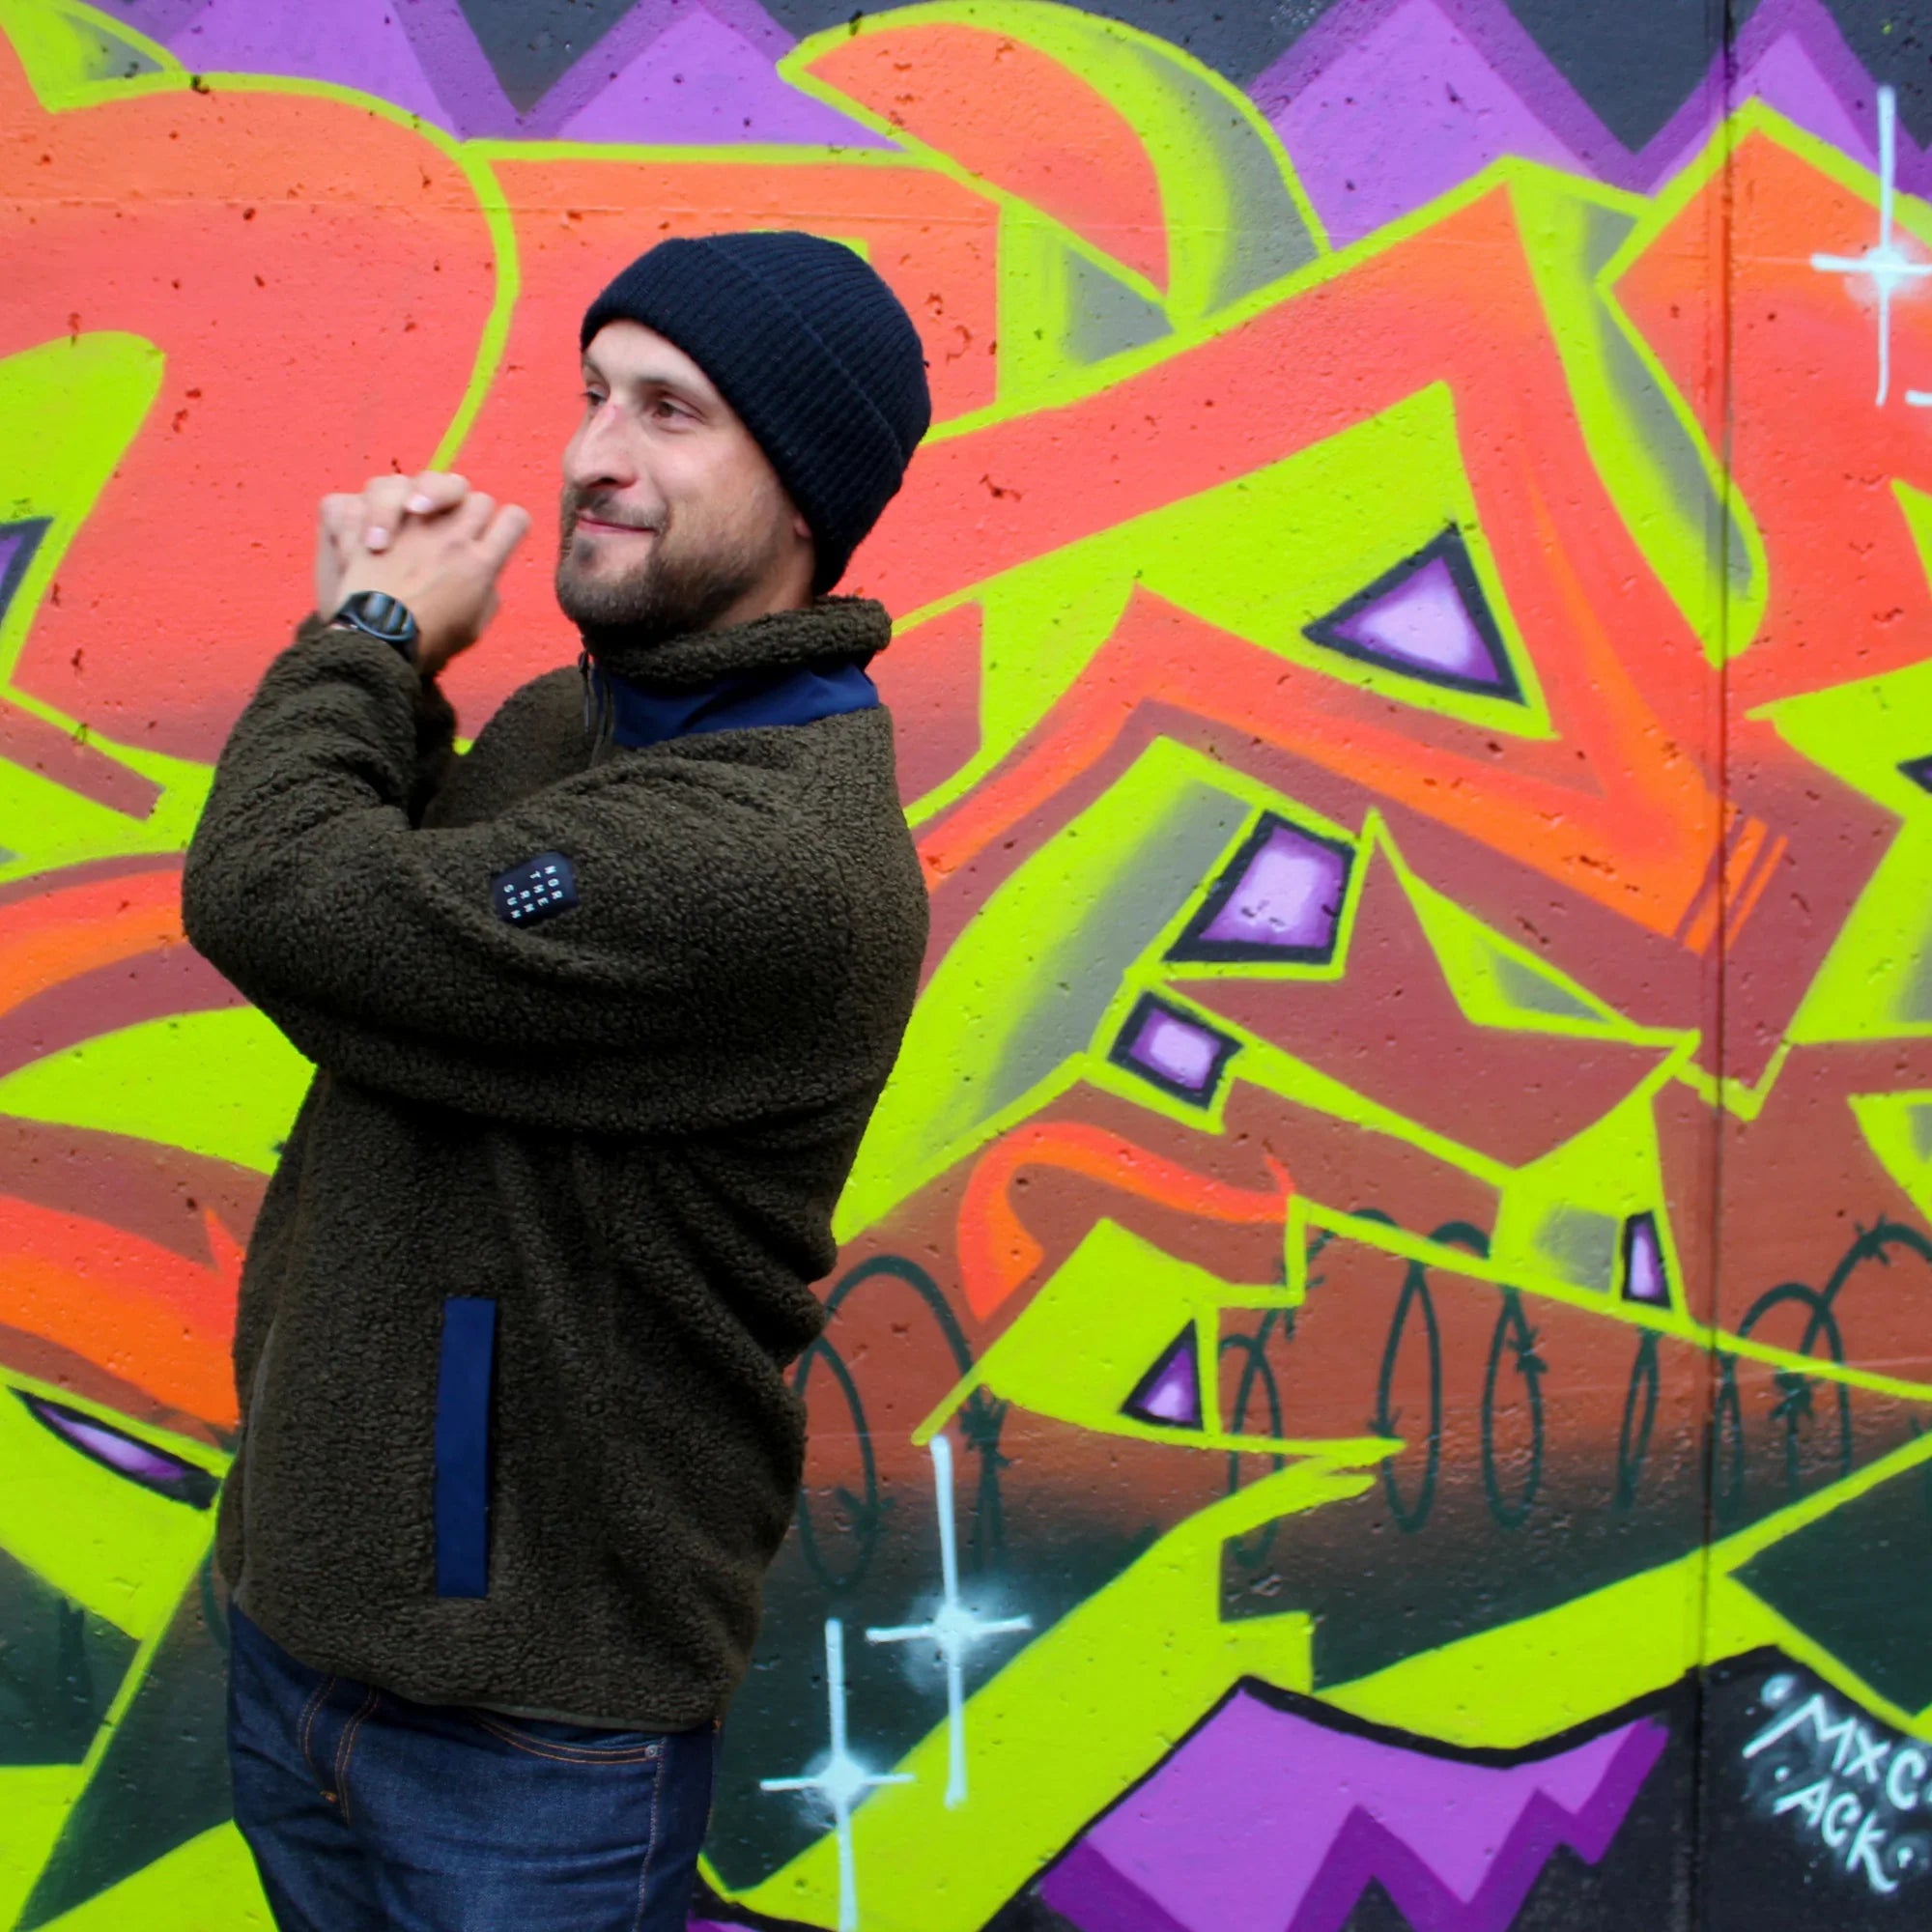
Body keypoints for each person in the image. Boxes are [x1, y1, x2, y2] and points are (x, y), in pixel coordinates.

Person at [182, 230, 933, 1931]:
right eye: (594, 394)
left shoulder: (772, 858)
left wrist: (372, 634)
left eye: (672, 411)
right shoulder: (564, 722)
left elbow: (275, 893)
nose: (596, 453)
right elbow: (354, 956)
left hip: (527, 1730)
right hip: (309, 1629)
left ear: (806, 491)